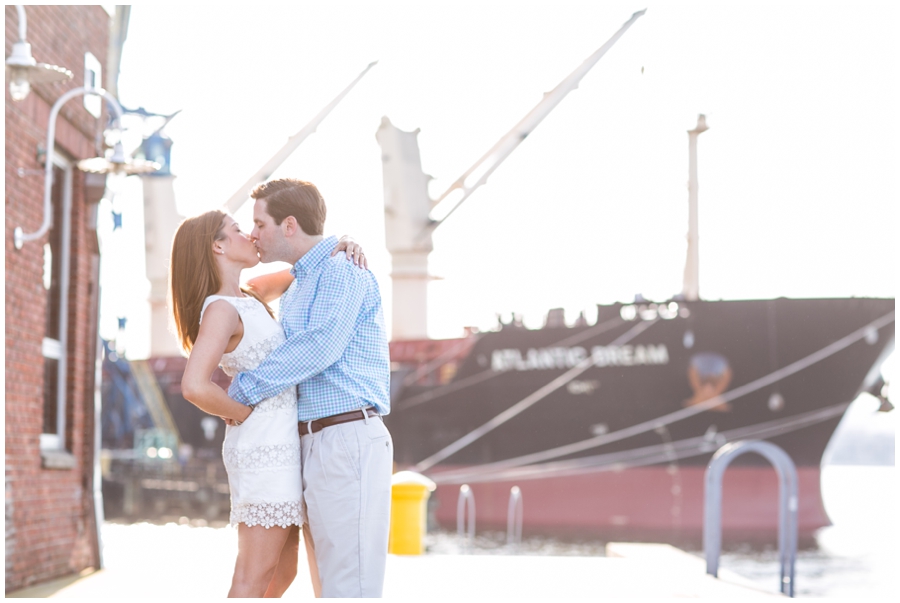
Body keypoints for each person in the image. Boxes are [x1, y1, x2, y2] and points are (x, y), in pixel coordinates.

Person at [169, 209, 365, 598]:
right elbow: (193, 385)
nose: (251, 236)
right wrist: (240, 412)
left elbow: (305, 266)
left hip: (282, 447)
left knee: (281, 574)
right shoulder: (221, 310)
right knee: (254, 576)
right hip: (263, 449)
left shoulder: (250, 295)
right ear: (218, 246)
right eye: (239, 230)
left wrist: (342, 247)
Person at [228, 178, 393, 598]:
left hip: (345, 438)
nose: (252, 234)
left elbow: (320, 345)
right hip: (312, 443)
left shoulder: (341, 271)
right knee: (327, 587)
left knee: (347, 589)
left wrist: (242, 390)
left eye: (259, 224)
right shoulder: (300, 282)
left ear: (288, 225)